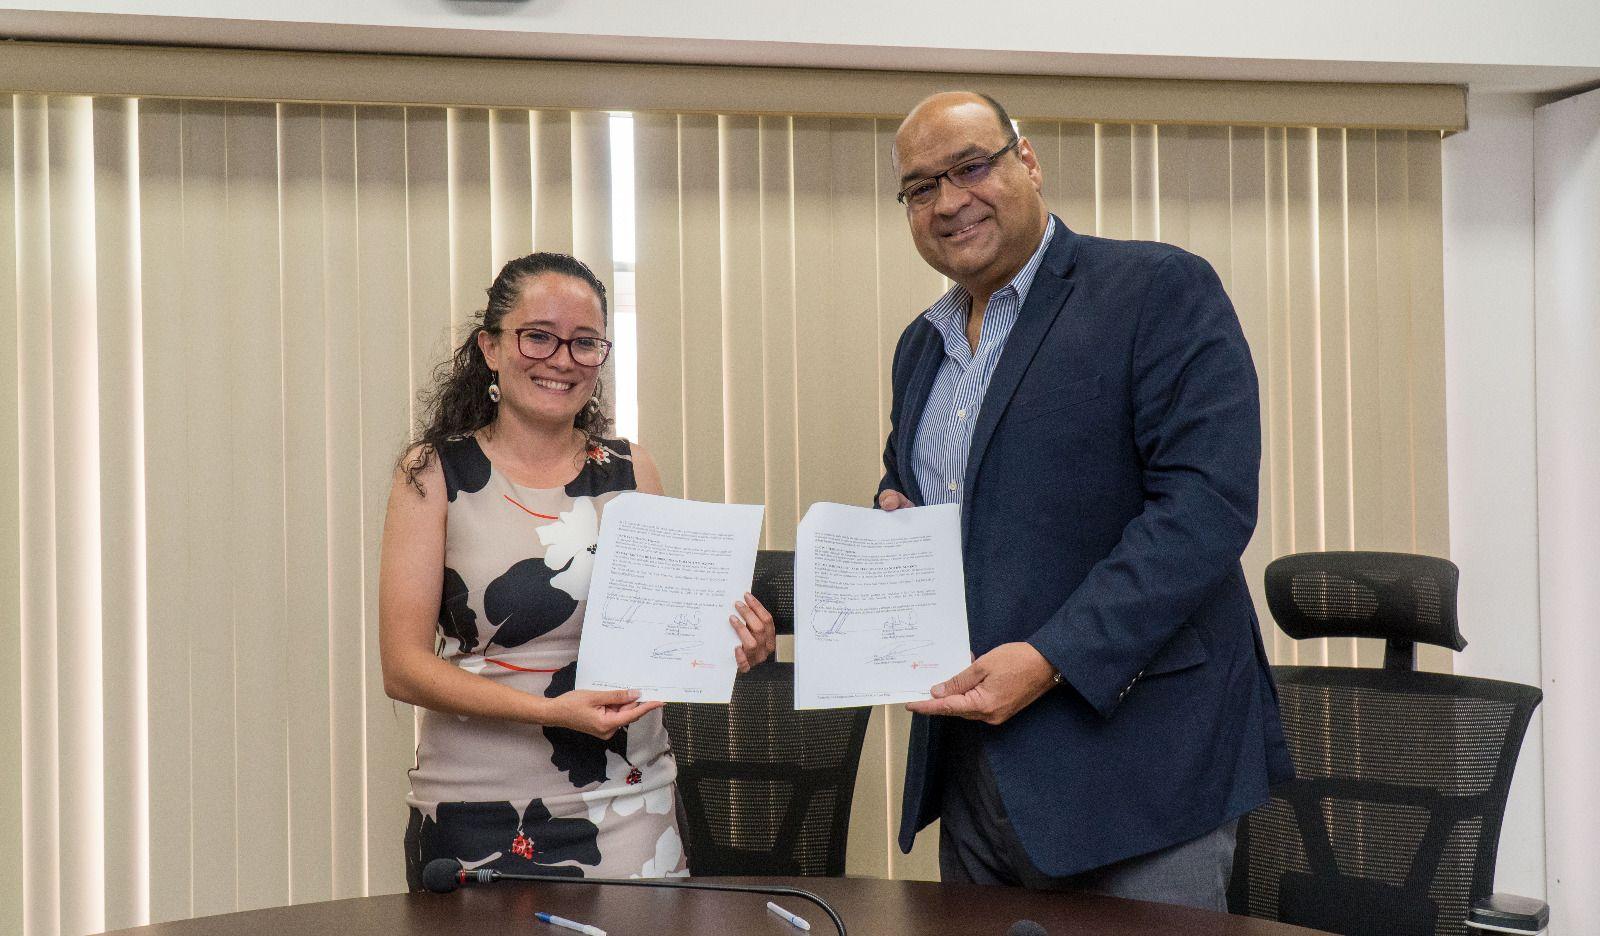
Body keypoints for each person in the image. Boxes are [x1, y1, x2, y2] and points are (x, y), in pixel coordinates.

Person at [876, 92, 1293, 908]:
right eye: (922, 187)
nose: (950, 200)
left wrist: (1050, 658)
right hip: (973, 771)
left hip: (1138, 771)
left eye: (971, 166)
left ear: (1026, 161)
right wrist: (894, 516)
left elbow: (1204, 507)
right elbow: (946, 497)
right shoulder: (920, 346)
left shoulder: (1156, 289)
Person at [378, 252, 776, 886]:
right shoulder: (433, 474)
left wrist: (733, 643)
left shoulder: (630, 470)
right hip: (474, 813)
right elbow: (403, 668)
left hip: (630, 807)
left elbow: (664, 637)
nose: (562, 358)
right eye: (539, 336)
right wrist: (557, 712)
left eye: (585, 343)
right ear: (490, 348)